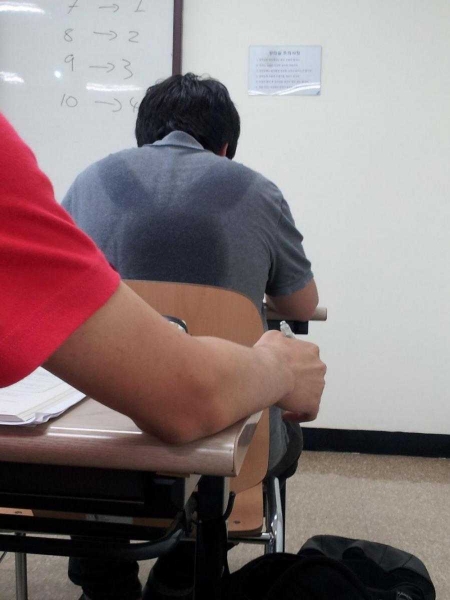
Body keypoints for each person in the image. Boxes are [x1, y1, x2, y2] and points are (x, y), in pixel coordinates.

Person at [61, 74, 321, 599]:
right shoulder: (260, 191)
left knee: (100, 456)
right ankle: (184, 575)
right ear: (225, 147)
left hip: (94, 429)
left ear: (144, 137)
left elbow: (56, 293)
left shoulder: (88, 182)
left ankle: (105, 582)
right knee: (285, 442)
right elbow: (301, 306)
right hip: (226, 437)